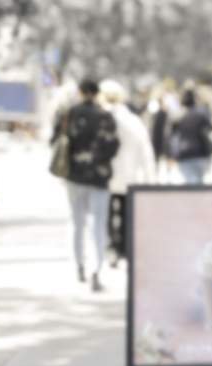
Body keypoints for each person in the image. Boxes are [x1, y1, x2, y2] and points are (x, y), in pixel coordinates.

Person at [51, 78, 120, 291]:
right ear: (97, 93)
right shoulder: (105, 116)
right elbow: (114, 146)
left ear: (80, 92)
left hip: (74, 175)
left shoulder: (69, 114)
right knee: (98, 224)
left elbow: (55, 140)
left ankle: (79, 264)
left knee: (77, 222)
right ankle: (96, 269)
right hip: (99, 177)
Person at [100, 79, 155, 267]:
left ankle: (111, 248)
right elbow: (145, 150)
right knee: (125, 213)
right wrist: (149, 178)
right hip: (129, 176)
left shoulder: (102, 117)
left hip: (105, 176)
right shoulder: (132, 120)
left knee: (106, 214)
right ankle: (123, 248)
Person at [170, 89, 212, 184]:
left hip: (185, 154)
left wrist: (172, 155)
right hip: (199, 154)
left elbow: (174, 137)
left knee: (192, 184)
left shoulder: (178, 117)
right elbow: (209, 131)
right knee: (197, 184)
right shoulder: (200, 115)